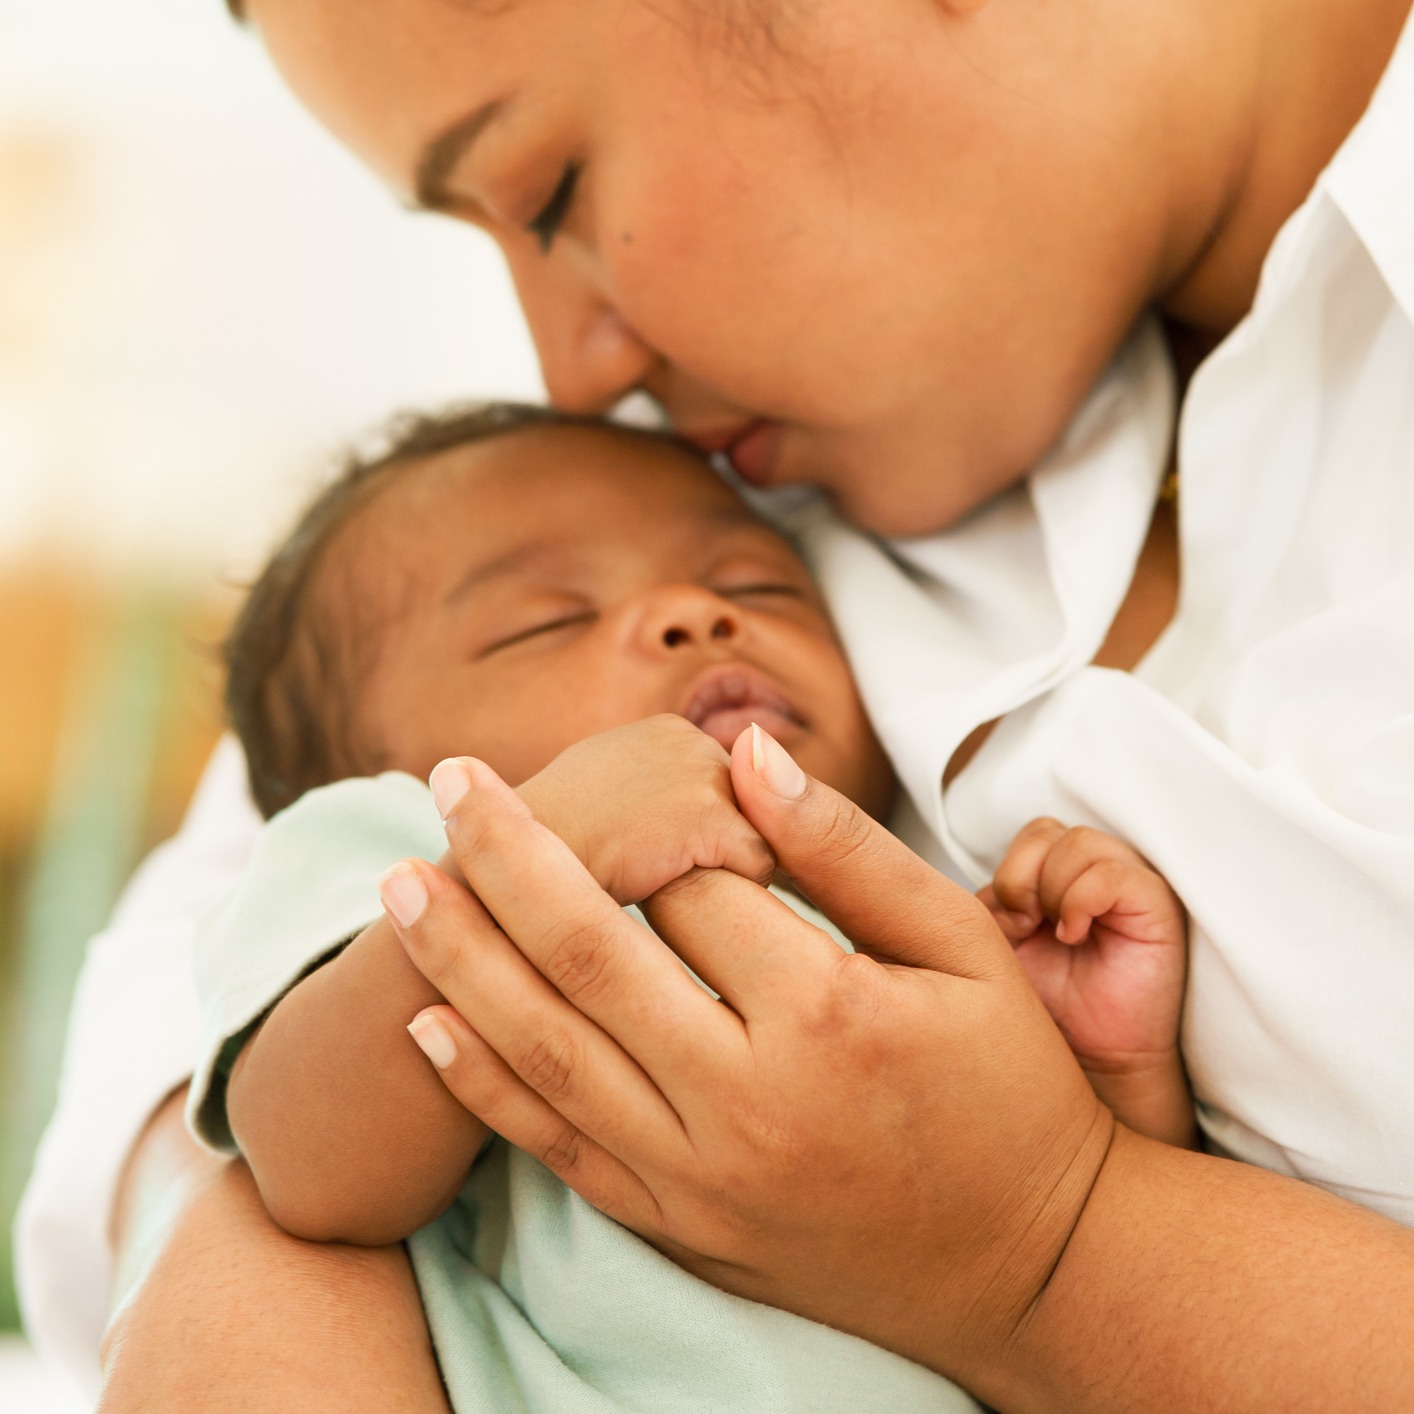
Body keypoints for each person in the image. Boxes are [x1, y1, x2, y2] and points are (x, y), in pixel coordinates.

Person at [17, 0, 1414, 1408]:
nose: (576, 371)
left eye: (548, 192)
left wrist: (1059, 1237)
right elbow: (222, 992)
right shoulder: (697, 457)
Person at [193, 402, 1190, 1409]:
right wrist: (520, 868)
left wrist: (1104, 1076)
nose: (695, 611)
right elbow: (309, 1165)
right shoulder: (394, 840)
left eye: (754, 583)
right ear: (365, 761)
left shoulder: (910, 890)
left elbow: (1094, 1284)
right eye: (549, 620)